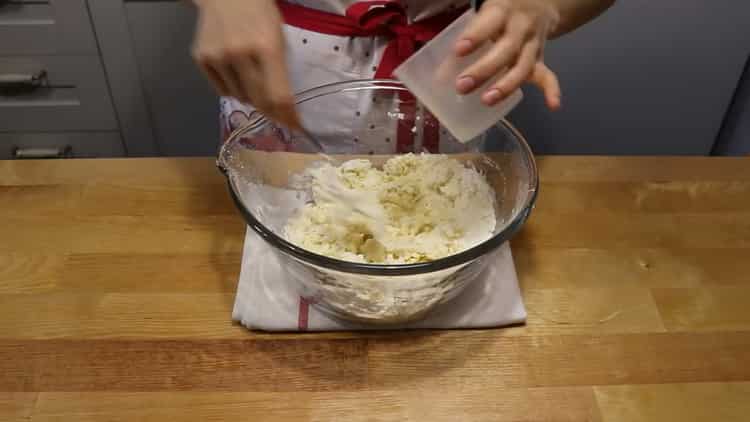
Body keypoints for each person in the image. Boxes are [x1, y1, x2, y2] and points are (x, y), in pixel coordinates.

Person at [191, 0, 615, 151]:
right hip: (281, 71)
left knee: (437, 225)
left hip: (446, 74)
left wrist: (544, 5)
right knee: (288, 228)